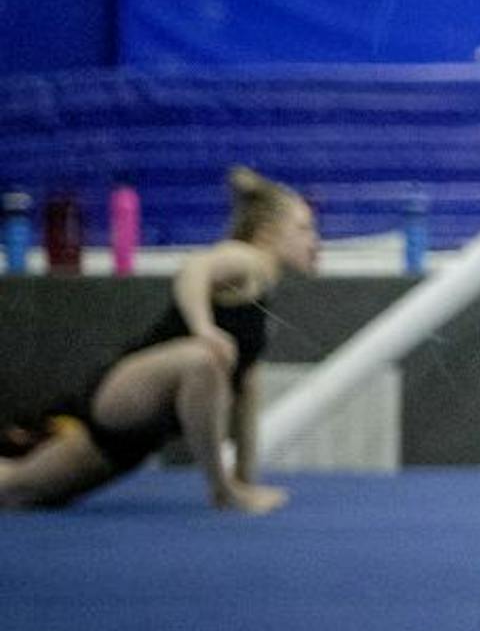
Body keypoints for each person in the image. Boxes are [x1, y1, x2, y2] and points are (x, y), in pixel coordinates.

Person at [0, 167, 318, 513]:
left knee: (18, 491)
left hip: (130, 439)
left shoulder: (261, 299)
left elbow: (247, 395)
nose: (314, 240)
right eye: (303, 228)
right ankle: (221, 491)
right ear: (268, 232)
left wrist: (247, 478)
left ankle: (229, 488)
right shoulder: (246, 259)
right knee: (205, 358)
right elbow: (195, 269)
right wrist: (203, 328)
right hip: (125, 392)